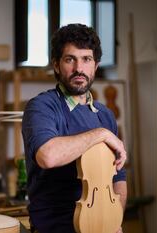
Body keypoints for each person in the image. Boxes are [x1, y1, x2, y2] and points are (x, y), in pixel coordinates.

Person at [22, 23, 127, 233]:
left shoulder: (105, 115)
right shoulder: (42, 107)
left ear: (95, 66)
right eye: (70, 59)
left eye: (86, 59)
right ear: (57, 65)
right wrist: (100, 134)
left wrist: (115, 221)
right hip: (55, 228)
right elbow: (48, 156)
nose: (79, 68)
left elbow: (118, 180)